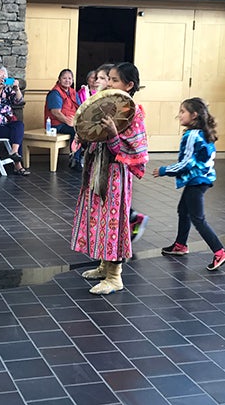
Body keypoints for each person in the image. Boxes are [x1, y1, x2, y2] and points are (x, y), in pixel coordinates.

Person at [71, 62, 148, 295]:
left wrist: (114, 135)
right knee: (99, 219)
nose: (109, 83)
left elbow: (135, 149)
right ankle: (105, 266)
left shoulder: (133, 113)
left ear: (129, 85)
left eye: (115, 80)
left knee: (113, 221)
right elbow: (92, 133)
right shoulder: (107, 106)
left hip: (116, 175)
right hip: (98, 170)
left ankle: (115, 277)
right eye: (108, 79)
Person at [153, 98, 225, 271]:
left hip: (196, 180)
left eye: (183, 112)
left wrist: (165, 170)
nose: (179, 115)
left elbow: (187, 163)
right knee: (183, 210)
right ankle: (180, 245)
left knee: (198, 218)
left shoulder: (192, 135)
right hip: (201, 179)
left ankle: (219, 252)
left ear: (194, 115)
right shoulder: (203, 132)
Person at [0, 67, 30, 176]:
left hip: (7, 123)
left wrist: (17, 88)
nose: (2, 79)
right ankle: (18, 165)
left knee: (19, 126)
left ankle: (14, 151)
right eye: (0, 77)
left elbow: (19, 101)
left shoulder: (7, 90)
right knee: (17, 135)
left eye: (4, 77)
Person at [45, 68, 81, 169]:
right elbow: (55, 112)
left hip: (71, 122)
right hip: (57, 124)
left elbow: (80, 108)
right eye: (64, 78)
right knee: (78, 131)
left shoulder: (73, 92)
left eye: (70, 78)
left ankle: (80, 157)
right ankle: (75, 159)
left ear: (73, 80)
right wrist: (69, 122)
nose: (67, 80)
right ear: (59, 79)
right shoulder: (55, 93)